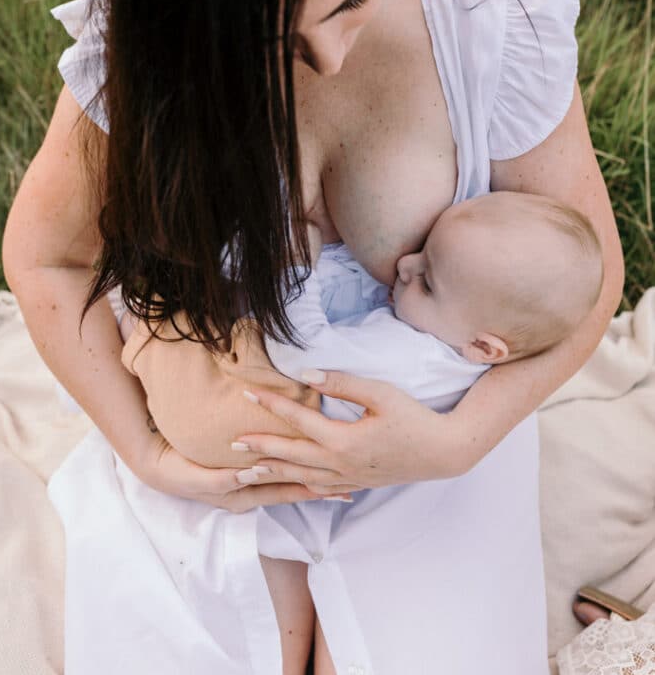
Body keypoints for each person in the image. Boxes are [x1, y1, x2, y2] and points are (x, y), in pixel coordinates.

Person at [1, 0, 624, 675]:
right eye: (270, 34)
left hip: (428, 453)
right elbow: (47, 257)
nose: (330, 59)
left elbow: (587, 276)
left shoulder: (487, 19)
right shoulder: (145, 57)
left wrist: (454, 444)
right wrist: (146, 453)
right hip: (220, 465)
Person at [118, 190, 606, 468]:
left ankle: (137, 332)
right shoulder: (451, 331)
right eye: (424, 249)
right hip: (298, 394)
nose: (407, 265)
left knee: (186, 357)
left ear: (483, 346)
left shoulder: (408, 360)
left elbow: (303, 355)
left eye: (429, 281)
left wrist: (297, 268)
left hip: (255, 413)